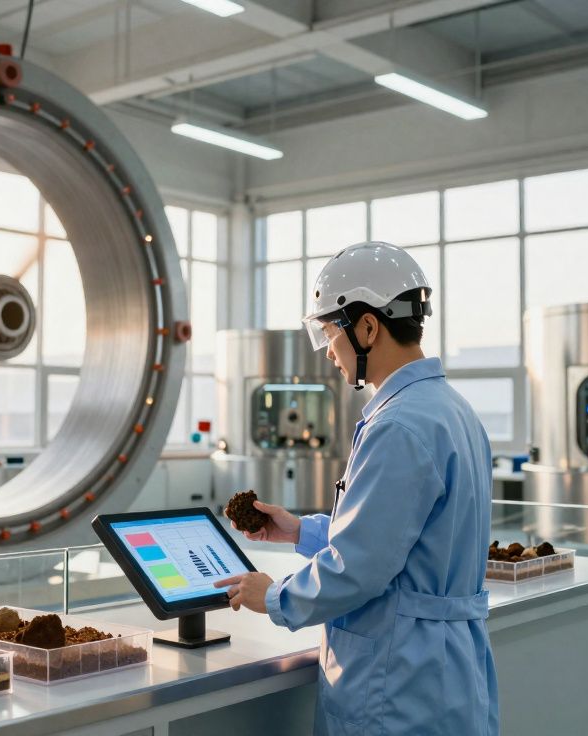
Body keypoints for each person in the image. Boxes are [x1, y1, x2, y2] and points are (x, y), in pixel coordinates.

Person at [213, 241, 498, 735]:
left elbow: (359, 568)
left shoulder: (399, 426)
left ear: (368, 327)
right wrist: (300, 531)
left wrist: (275, 595)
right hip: (444, 668)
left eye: (331, 335)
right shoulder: (451, 409)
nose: (329, 355)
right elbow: (399, 543)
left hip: (401, 677)